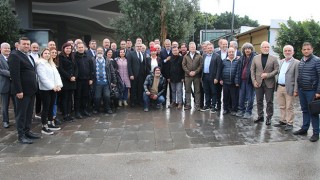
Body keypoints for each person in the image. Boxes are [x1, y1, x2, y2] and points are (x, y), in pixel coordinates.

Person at [9, 37, 40, 144]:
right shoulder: (14, 56)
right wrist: (18, 91)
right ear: (18, 45)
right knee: (21, 114)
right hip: (22, 92)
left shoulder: (28, 56)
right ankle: (21, 135)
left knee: (28, 113)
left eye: (28, 44)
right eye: (24, 44)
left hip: (31, 91)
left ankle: (27, 131)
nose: (26, 46)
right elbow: (15, 75)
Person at [293, 42, 320, 142]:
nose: (306, 51)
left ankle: (316, 133)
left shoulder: (317, 61)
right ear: (302, 50)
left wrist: (318, 91)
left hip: (312, 91)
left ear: (312, 49)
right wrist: (298, 89)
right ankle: (304, 128)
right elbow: (299, 76)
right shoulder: (302, 61)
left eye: (308, 49)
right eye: (304, 49)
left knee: (313, 112)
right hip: (302, 90)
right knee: (304, 110)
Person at [250, 41, 279, 125]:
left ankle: (269, 117)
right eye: (264, 47)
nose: (266, 48)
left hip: (269, 83)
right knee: (259, 101)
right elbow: (252, 70)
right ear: (261, 48)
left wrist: (268, 75)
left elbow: (276, 70)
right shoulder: (255, 58)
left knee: (269, 101)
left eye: (267, 47)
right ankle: (260, 116)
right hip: (258, 83)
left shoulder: (273, 58)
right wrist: (254, 81)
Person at [273, 45, 300, 131]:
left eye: (289, 51)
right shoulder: (281, 61)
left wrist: (296, 90)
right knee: (282, 106)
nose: (287, 52)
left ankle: (290, 123)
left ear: (293, 52)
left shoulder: (296, 63)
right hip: (280, 87)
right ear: (283, 52)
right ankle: (283, 120)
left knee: (289, 106)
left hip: (289, 88)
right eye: (286, 51)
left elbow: (297, 77)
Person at [37, 48, 63, 135]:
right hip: (45, 89)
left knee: (51, 106)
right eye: (45, 53)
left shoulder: (51, 63)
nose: (47, 55)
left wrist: (58, 85)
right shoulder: (40, 64)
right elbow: (43, 78)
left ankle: (50, 122)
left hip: (54, 89)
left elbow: (57, 75)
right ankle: (44, 127)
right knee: (46, 108)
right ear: (42, 54)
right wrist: (52, 86)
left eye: (48, 53)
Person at [92, 47, 117, 114]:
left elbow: (112, 71)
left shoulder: (107, 60)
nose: (99, 52)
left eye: (101, 51)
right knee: (97, 97)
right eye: (98, 51)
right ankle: (96, 109)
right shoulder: (92, 60)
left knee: (107, 96)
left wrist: (114, 81)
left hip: (106, 82)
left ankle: (107, 109)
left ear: (103, 52)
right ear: (96, 52)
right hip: (97, 83)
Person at [235, 43, 256, 119]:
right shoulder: (241, 58)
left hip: (250, 81)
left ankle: (248, 111)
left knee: (250, 97)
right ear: (243, 50)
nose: (247, 50)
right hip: (242, 80)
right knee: (241, 96)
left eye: (249, 49)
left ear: (251, 50)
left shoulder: (255, 58)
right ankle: (241, 110)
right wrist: (237, 81)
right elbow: (238, 70)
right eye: (246, 49)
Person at [58, 43, 78, 122]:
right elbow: (61, 69)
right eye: (67, 48)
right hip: (65, 80)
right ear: (63, 49)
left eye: (70, 48)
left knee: (70, 98)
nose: (68, 50)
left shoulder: (72, 57)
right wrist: (69, 77)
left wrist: (75, 76)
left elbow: (76, 67)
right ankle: (65, 114)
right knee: (65, 98)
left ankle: (69, 114)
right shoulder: (60, 57)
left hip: (73, 80)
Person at [74, 42, 94, 119]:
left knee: (85, 96)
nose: (81, 49)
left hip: (87, 80)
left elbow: (92, 68)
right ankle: (77, 112)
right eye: (79, 47)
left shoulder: (88, 57)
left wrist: (91, 78)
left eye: (82, 47)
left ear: (84, 48)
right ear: (76, 48)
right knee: (78, 96)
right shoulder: (74, 57)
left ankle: (84, 110)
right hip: (78, 80)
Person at [200, 43, 222, 113]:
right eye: (208, 48)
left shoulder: (217, 56)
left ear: (213, 48)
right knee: (206, 92)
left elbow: (219, 68)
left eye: (211, 48)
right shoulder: (204, 55)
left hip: (213, 77)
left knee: (214, 92)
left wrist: (217, 78)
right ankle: (207, 105)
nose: (209, 49)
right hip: (205, 76)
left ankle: (213, 106)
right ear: (206, 49)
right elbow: (202, 66)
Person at [182, 42, 203, 110]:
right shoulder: (186, 56)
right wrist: (188, 72)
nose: (193, 48)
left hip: (196, 76)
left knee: (197, 91)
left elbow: (201, 65)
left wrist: (195, 72)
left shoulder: (199, 56)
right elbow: (183, 65)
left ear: (195, 48)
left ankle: (197, 105)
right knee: (187, 90)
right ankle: (188, 105)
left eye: (194, 47)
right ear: (189, 48)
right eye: (191, 47)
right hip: (188, 76)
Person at [0, 42, 16, 128]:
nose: (7, 50)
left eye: (9, 48)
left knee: (16, 104)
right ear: (1, 49)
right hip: (4, 85)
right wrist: (11, 74)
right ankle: (5, 121)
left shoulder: (12, 58)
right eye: (5, 48)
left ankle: (18, 119)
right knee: (5, 105)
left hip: (13, 85)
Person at [220, 47, 240, 115]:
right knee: (225, 97)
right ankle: (225, 109)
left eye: (232, 52)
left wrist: (237, 82)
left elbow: (238, 72)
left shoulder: (237, 61)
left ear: (234, 52)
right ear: (227, 53)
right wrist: (221, 79)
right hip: (225, 82)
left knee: (234, 97)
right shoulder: (224, 61)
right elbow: (221, 71)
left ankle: (234, 109)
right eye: (230, 52)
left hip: (234, 83)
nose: (231, 53)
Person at [127, 42, 146, 107]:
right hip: (134, 75)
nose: (139, 47)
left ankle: (139, 101)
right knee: (133, 89)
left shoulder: (143, 54)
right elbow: (129, 65)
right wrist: (131, 74)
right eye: (137, 46)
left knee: (140, 88)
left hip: (142, 75)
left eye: (140, 46)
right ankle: (133, 102)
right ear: (135, 47)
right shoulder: (131, 54)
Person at [215, 39, 228, 110]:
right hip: (218, 76)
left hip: (227, 77)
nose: (225, 46)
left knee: (226, 93)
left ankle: (226, 107)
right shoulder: (217, 54)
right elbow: (216, 67)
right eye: (223, 44)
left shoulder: (230, 53)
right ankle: (218, 106)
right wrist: (219, 78)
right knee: (218, 93)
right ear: (220, 45)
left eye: (226, 44)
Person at [159, 39, 173, 105]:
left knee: (171, 89)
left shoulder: (173, 51)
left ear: (171, 45)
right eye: (166, 44)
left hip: (171, 73)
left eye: (169, 44)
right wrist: (166, 60)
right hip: (164, 73)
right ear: (164, 45)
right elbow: (160, 62)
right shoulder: (162, 52)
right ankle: (164, 102)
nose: (168, 45)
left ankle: (171, 102)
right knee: (164, 88)